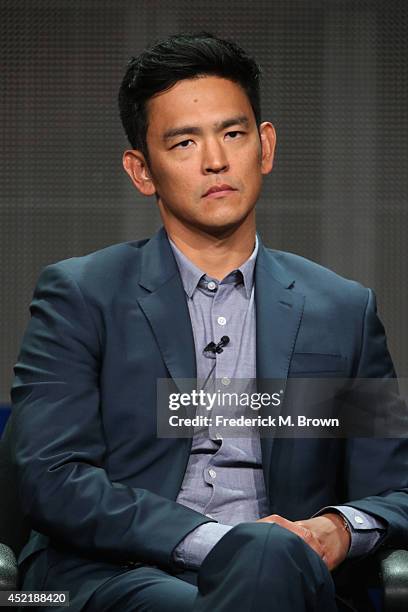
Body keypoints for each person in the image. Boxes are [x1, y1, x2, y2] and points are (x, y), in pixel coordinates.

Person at [11, 32, 408, 612]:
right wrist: (227, 545)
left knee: (273, 569)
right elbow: (52, 477)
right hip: (122, 575)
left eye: (232, 133)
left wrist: (337, 530)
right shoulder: (82, 295)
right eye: (183, 143)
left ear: (265, 147)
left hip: (297, 575)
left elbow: (395, 490)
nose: (216, 160)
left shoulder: (342, 310)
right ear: (141, 170)